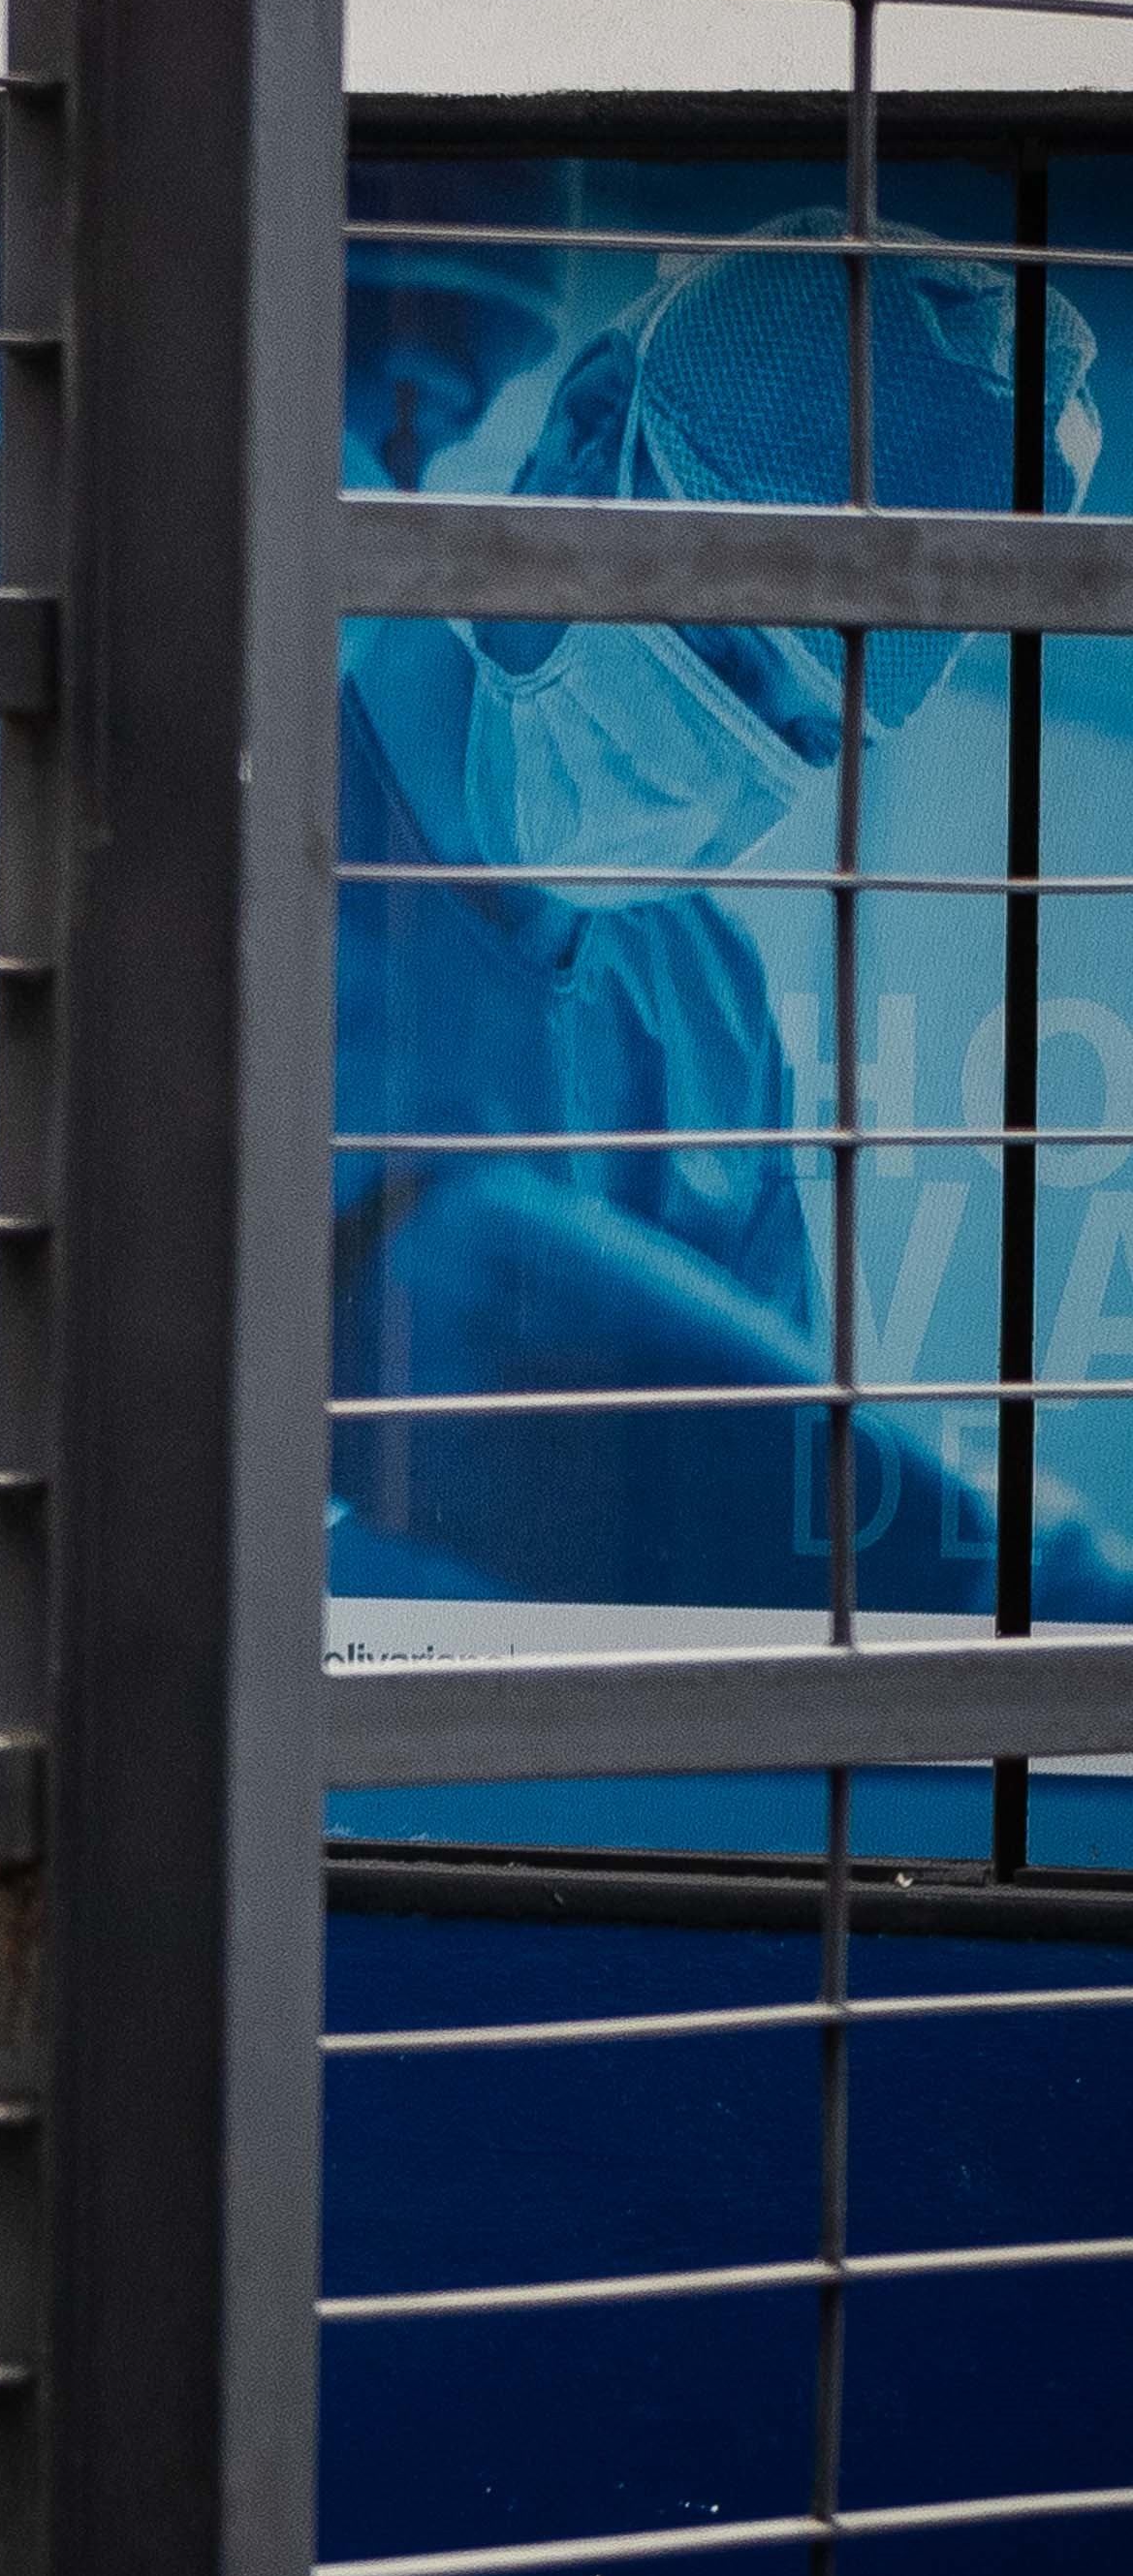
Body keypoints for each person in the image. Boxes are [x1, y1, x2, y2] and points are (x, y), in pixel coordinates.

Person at [337, 213, 1133, 1618]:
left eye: (806, 734)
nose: (725, 769)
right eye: (714, 651)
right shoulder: (224, 835)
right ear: (586, 436)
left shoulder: (706, 1013)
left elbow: (758, 1561)